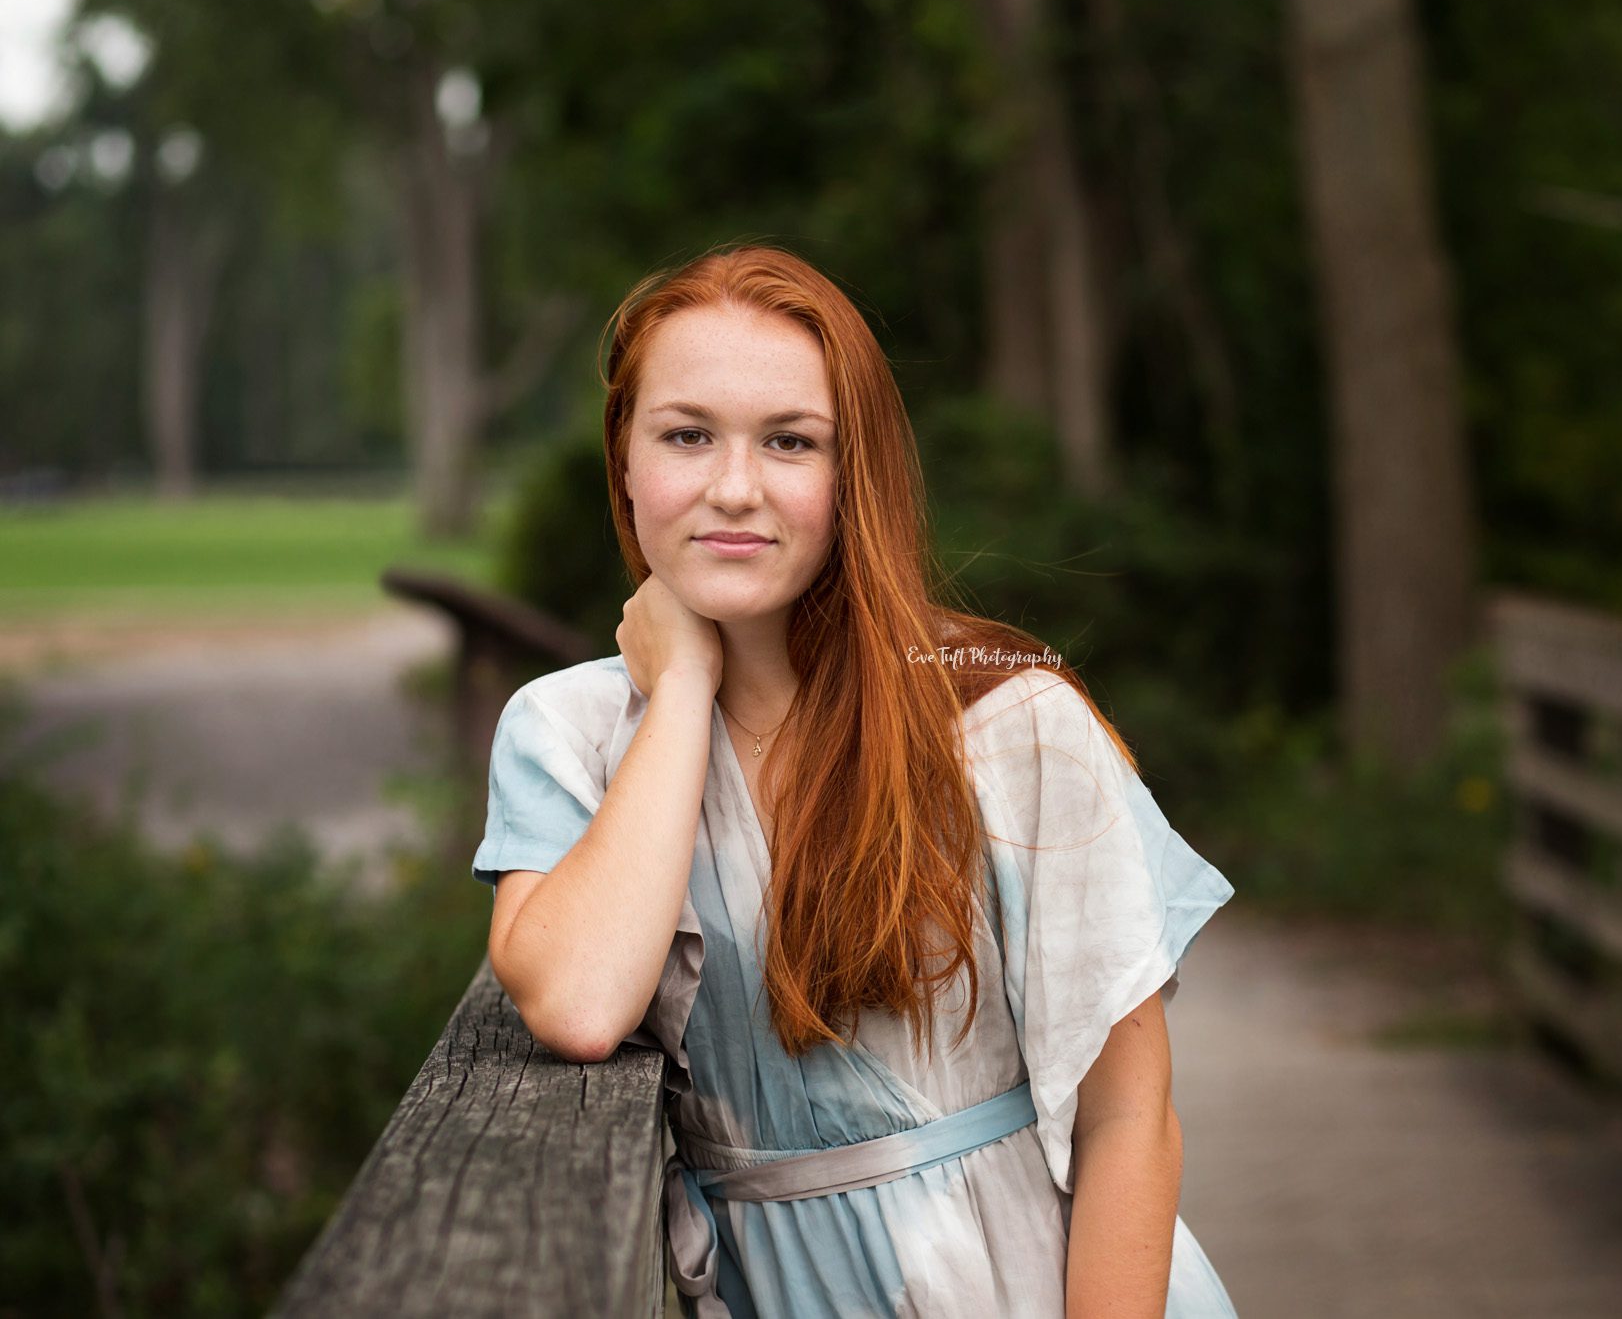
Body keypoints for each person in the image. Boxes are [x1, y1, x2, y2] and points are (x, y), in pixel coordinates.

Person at [470, 243, 1238, 1317]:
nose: (732, 487)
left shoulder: (1005, 719)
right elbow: (581, 1000)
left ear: (852, 474)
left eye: (790, 441)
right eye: (687, 435)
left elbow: (1127, 1116)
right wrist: (682, 686)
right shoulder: (570, 730)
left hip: (1039, 1279)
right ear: (626, 463)